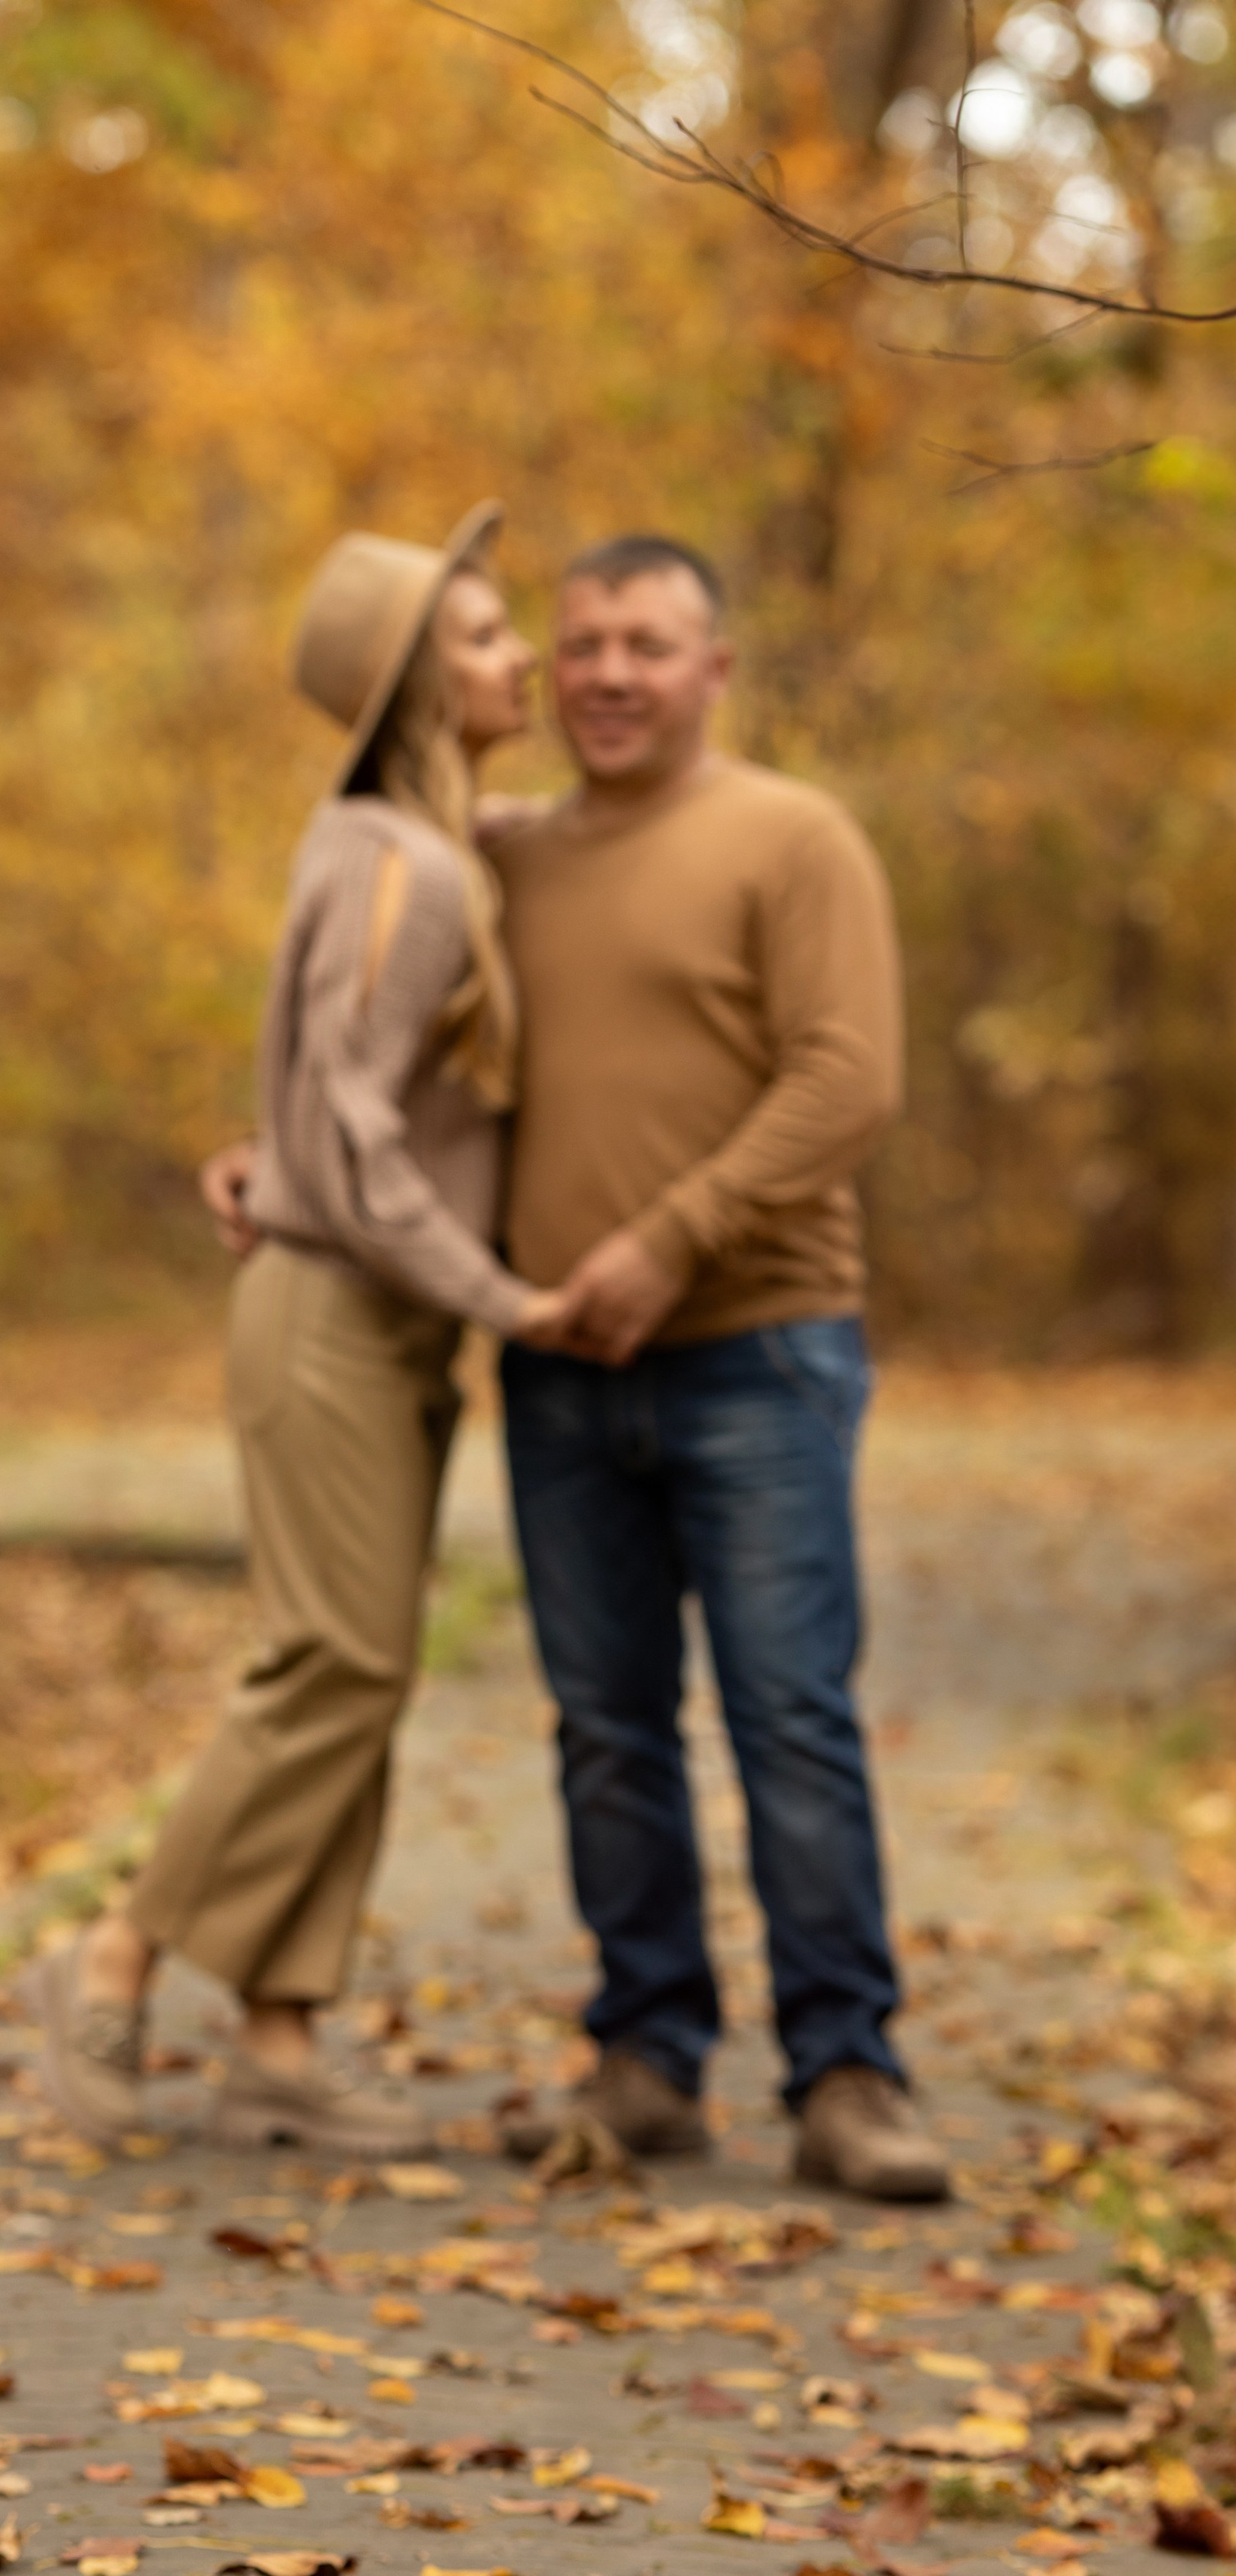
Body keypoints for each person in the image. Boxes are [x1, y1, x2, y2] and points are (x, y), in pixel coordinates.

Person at [34, 505, 565, 2158]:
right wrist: (506, 1296)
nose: (520, 655)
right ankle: (110, 1956)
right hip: (337, 1304)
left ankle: (279, 2029)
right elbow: (350, 1127)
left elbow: (325, 1114)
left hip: (373, 1312)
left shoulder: (423, 849)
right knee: (329, 1657)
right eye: (482, 637)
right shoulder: (400, 863)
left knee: (363, 1665)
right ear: (414, 686)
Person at [486, 534, 945, 2202]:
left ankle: (845, 2069)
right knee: (605, 1726)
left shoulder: (787, 835)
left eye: (646, 642)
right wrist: (270, 1152)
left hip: (757, 1352)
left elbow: (847, 1078)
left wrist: (669, 1234)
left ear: (712, 669)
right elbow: (398, 1044)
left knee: (787, 1717)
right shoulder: (504, 854)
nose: (607, 670)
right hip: (551, 1365)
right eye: (582, 639)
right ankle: (646, 2052)